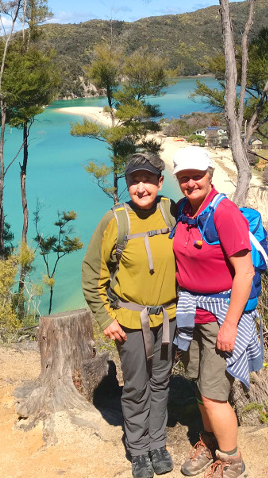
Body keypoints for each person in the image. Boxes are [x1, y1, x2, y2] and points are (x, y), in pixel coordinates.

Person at [81, 152, 178, 478]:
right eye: (135, 180)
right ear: (127, 184)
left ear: (159, 183)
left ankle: (157, 445)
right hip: (131, 323)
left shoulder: (170, 212)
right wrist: (106, 319)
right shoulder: (116, 220)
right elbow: (92, 273)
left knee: (161, 384)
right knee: (136, 388)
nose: (141, 187)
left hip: (168, 319)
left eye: (147, 180)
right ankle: (138, 451)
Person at [171, 146, 263, 478]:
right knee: (199, 385)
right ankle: (207, 443)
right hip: (191, 312)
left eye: (196, 175)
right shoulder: (183, 210)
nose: (190, 182)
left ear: (210, 175)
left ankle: (231, 460)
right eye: (184, 177)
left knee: (214, 395)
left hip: (220, 315)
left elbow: (245, 273)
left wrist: (230, 327)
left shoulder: (224, 214)